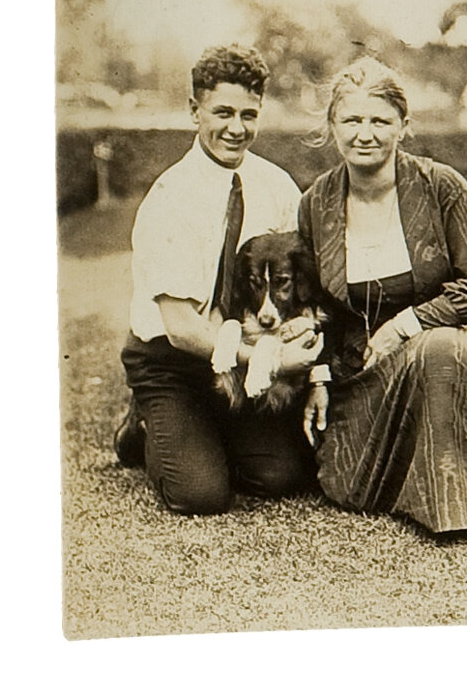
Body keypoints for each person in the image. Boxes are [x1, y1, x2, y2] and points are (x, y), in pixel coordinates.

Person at [295, 58, 467, 534]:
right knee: (346, 484)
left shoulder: (441, 187)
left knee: (437, 353)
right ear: (333, 126)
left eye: (380, 121)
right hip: (364, 363)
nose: (365, 134)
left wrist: (405, 326)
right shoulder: (316, 203)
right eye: (352, 120)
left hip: (456, 338)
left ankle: (456, 503)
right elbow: (312, 304)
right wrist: (316, 376)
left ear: (403, 126)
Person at [114, 44, 319, 515]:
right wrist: (271, 362)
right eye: (222, 112)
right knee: (200, 494)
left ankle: (205, 431)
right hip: (172, 361)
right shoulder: (171, 198)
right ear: (194, 110)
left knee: (280, 476)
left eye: (249, 114)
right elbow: (184, 329)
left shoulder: (276, 186)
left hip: (243, 354)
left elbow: (305, 282)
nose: (236, 128)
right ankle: (146, 425)